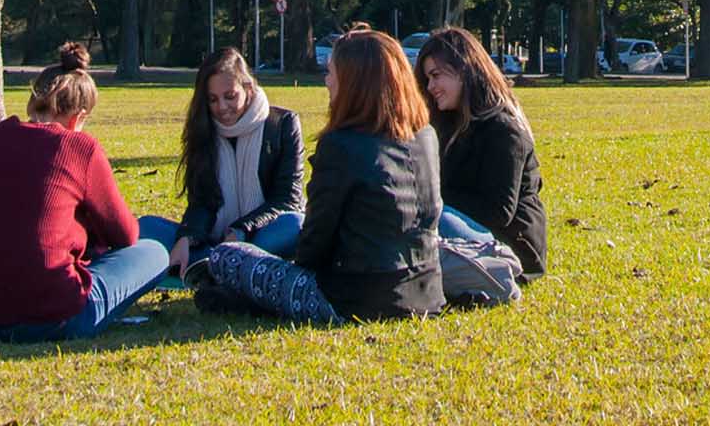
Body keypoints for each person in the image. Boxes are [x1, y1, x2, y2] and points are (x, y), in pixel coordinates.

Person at [194, 27, 442, 323]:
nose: (327, 81)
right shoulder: (426, 137)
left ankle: (246, 299)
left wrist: (299, 266)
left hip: (353, 298)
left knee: (227, 256)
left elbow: (316, 241)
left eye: (332, 73)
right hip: (425, 292)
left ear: (353, 83)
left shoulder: (341, 145)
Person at [0, 42, 171, 341]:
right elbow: (125, 235)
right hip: (52, 316)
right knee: (154, 252)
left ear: (33, 103)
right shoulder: (79, 147)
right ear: (78, 117)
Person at [136, 46, 306, 282]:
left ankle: (220, 264)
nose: (222, 108)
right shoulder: (204, 130)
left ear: (248, 88)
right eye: (213, 100)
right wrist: (187, 238)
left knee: (295, 224)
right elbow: (202, 202)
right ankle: (223, 265)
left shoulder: (283, 124)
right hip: (213, 239)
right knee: (145, 228)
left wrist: (240, 231)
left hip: (259, 235)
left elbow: (288, 199)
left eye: (230, 96)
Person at [416, 26, 548, 279]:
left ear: (464, 71)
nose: (431, 87)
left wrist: (430, 197)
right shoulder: (450, 125)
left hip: (515, 250)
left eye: (436, 75)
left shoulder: (504, 130)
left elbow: (498, 212)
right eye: (427, 79)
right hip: (471, 235)